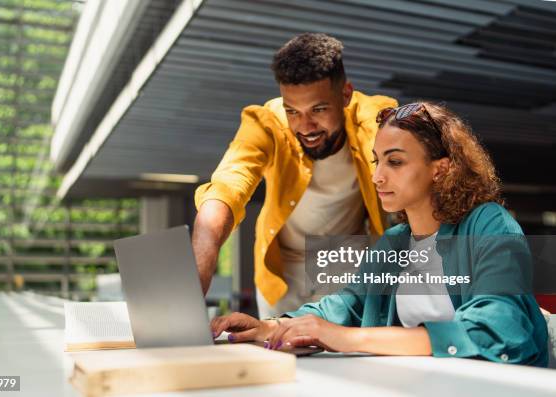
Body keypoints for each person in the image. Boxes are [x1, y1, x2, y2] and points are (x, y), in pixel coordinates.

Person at [210, 102, 549, 366]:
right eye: (376, 161)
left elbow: (499, 328)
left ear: (440, 169)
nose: (377, 177)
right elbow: (347, 305)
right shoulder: (396, 241)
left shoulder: (489, 224)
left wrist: (347, 339)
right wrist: (271, 326)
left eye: (395, 162)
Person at [193, 33, 397, 317]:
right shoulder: (266, 122)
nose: (306, 127)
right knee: (278, 347)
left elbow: (401, 173)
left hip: (344, 256)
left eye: (319, 109)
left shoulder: (375, 117)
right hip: (282, 266)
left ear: (345, 95)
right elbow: (229, 183)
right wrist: (201, 259)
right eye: (293, 111)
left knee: (340, 350)